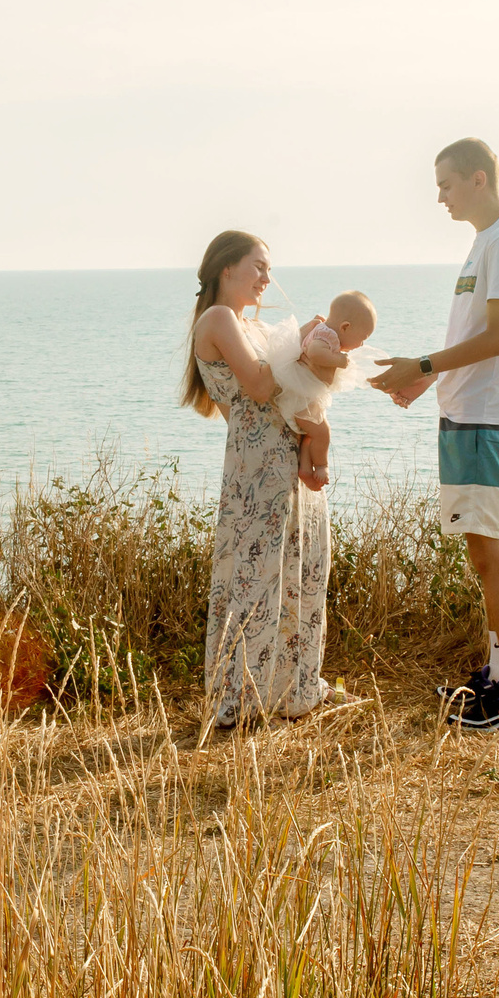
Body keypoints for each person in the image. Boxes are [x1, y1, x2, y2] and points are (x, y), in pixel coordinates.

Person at [370, 138, 499, 730]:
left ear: (479, 178)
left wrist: (422, 366)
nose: (439, 196)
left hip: (489, 417)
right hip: (471, 411)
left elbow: (498, 337)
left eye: (446, 184)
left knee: (492, 550)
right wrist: (429, 382)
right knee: (481, 549)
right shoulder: (487, 242)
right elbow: (479, 335)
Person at [186, 231, 334, 729]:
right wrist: (299, 346)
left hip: (284, 453)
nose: (268, 279)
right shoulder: (219, 319)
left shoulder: (249, 324)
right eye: (259, 267)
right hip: (257, 465)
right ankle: (241, 699)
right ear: (227, 268)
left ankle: (292, 688)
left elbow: (288, 387)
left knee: (300, 570)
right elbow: (261, 384)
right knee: (255, 577)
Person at [259, 289, 380, 491]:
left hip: (302, 395)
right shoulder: (328, 335)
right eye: (363, 337)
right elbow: (314, 352)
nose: (362, 344)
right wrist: (338, 360)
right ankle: (322, 466)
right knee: (323, 432)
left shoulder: (326, 332)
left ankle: (306, 468)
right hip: (300, 396)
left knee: (312, 433)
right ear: (346, 327)